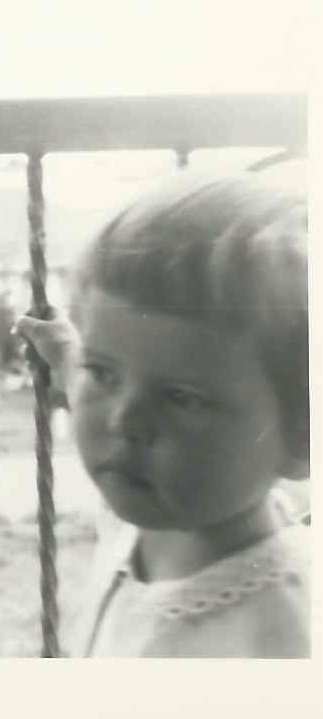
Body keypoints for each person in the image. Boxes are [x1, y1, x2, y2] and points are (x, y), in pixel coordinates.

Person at [17, 171, 309, 657]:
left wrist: (100, 368)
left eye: (184, 399)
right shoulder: (149, 505)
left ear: (303, 438)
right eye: (105, 373)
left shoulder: (281, 640)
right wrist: (69, 355)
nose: (124, 422)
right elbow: (93, 372)